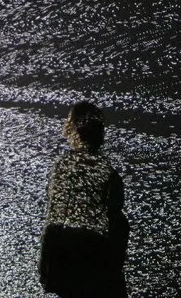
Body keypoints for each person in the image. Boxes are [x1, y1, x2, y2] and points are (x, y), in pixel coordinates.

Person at [39, 101, 129, 297]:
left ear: (73, 131)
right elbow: (117, 220)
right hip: (94, 259)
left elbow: (54, 220)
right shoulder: (107, 171)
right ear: (100, 135)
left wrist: (46, 267)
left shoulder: (62, 167)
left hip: (65, 261)